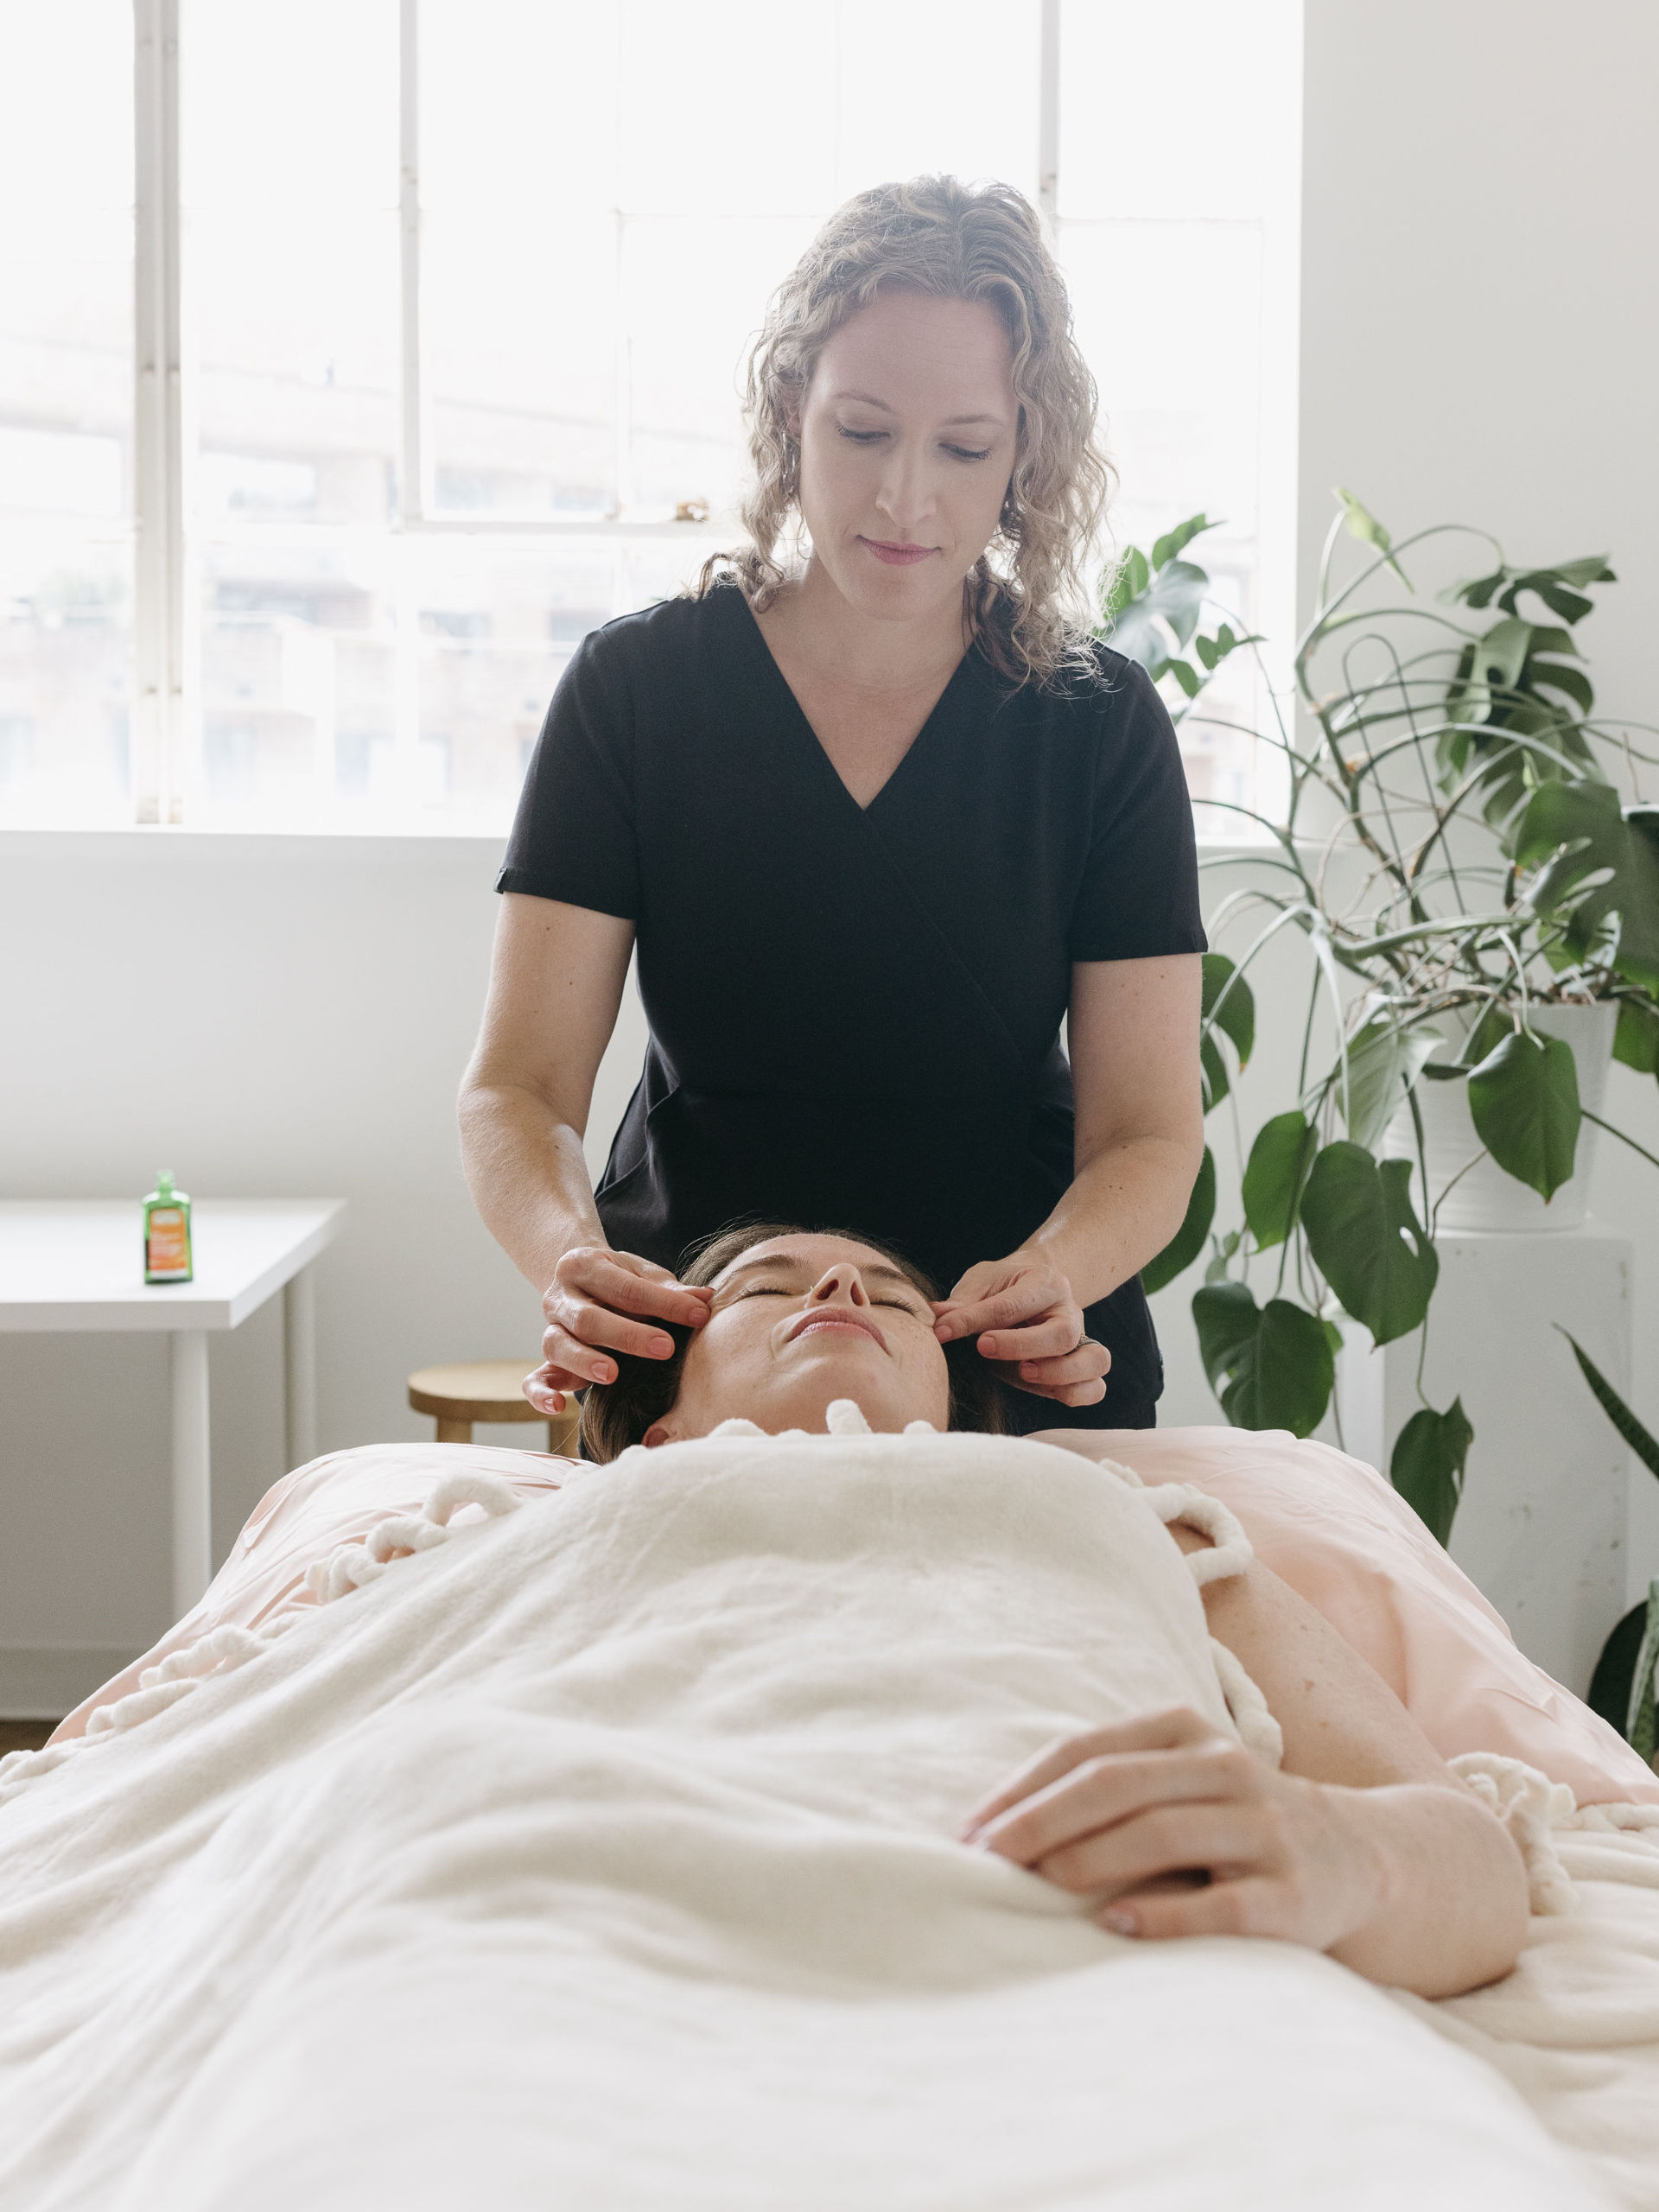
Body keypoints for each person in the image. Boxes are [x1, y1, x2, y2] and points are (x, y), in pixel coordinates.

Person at [460, 175, 1205, 1440]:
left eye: (964, 448)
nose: (906, 499)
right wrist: (565, 1258)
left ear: (1026, 453)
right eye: (862, 431)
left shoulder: (1097, 723)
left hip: (1001, 1364)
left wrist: (1057, 1279)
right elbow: (519, 1089)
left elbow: (1145, 1132)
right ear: (790, 410)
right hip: (706, 1359)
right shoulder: (640, 692)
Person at [574, 1219, 1530, 2000]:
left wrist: (1343, 1855)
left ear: (953, 1416)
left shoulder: (1132, 1528)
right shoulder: (573, 1537)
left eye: (897, 1298)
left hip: (1093, 1980)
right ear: (663, 1434)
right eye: (766, 1289)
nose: (844, 1292)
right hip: (627, 1969)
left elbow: (1476, 1867)